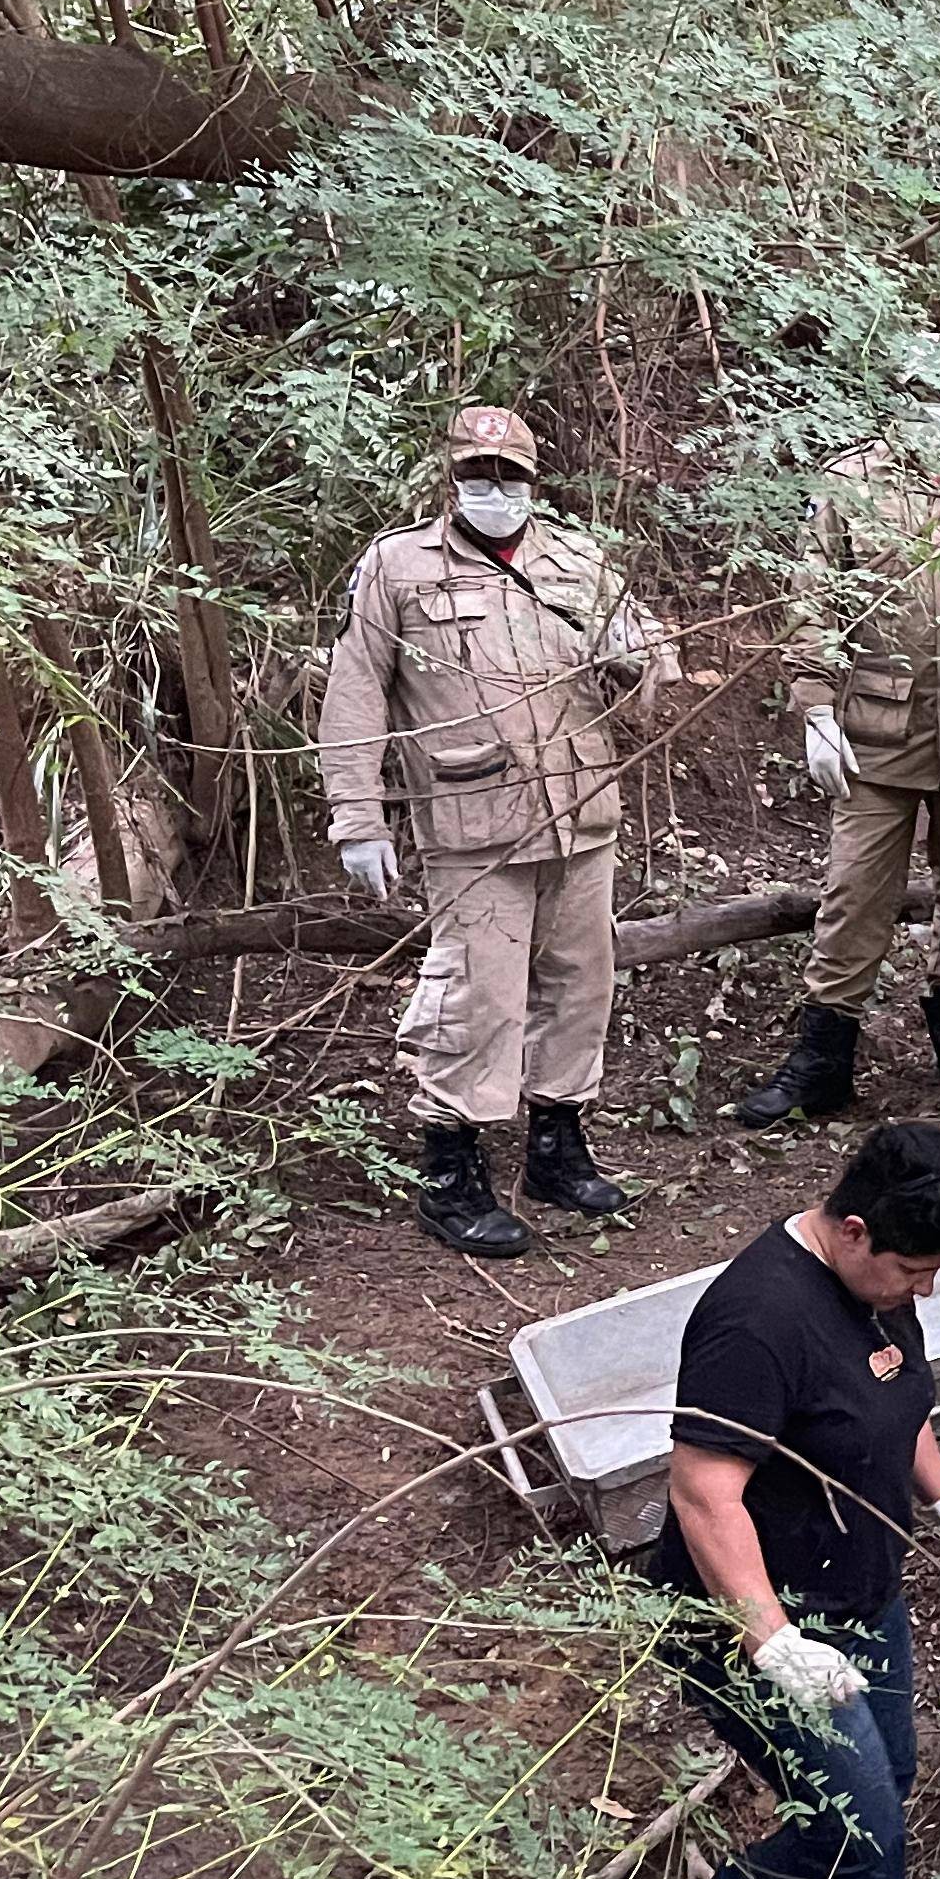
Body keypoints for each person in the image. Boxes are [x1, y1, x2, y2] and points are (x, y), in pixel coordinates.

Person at [643, 1122, 940, 1879]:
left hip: (862, 1595)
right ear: (853, 1231)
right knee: (859, 1817)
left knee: (889, 1774)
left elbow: (903, 1402)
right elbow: (703, 1494)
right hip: (751, 1625)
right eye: (914, 1270)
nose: (923, 1290)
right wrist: (772, 1644)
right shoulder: (757, 1321)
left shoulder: (879, 1295)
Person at [319, 403, 658, 1258]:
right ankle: (451, 1167)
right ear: (453, 476)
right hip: (475, 825)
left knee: (582, 984)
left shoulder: (579, 563)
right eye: (478, 472)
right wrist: (360, 818)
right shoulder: (399, 567)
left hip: (582, 812)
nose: (493, 488)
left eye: (509, 474)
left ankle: (556, 1144)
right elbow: (355, 693)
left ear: (534, 480)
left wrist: (636, 663)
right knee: (477, 996)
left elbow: (649, 674)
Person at [733, 375, 940, 1125]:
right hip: (876, 732)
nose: (937, 405)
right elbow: (815, 601)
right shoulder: (852, 480)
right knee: (855, 892)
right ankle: (823, 1060)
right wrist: (816, 712)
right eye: (921, 390)